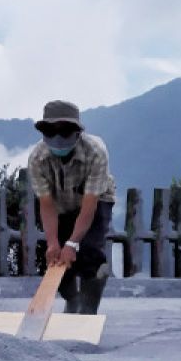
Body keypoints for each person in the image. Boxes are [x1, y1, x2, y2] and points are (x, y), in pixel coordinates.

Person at [26, 99, 117, 315]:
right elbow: (46, 205)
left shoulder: (96, 151)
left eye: (65, 131)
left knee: (90, 251)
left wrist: (73, 243)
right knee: (56, 258)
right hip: (59, 203)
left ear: (77, 133)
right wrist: (52, 243)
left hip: (95, 200)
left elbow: (89, 205)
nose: (57, 138)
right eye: (50, 131)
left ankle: (88, 308)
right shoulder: (37, 158)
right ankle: (72, 299)